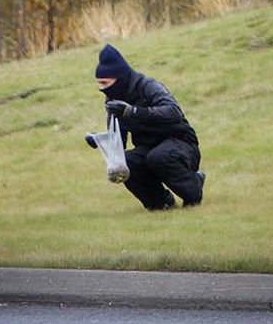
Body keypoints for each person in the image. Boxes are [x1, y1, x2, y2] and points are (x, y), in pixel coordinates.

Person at [86, 44, 205, 210]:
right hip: (149, 148)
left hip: (182, 144)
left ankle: (194, 188)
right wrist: (100, 140)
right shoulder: (112, 99)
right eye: (100, 83)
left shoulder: (148, 86)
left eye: (105, 82)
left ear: (119, 77)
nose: (102, 88)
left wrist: (133, 111)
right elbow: (118, 140)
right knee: (127, 163)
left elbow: (173, 112)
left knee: (158, 157)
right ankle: (160, 204)